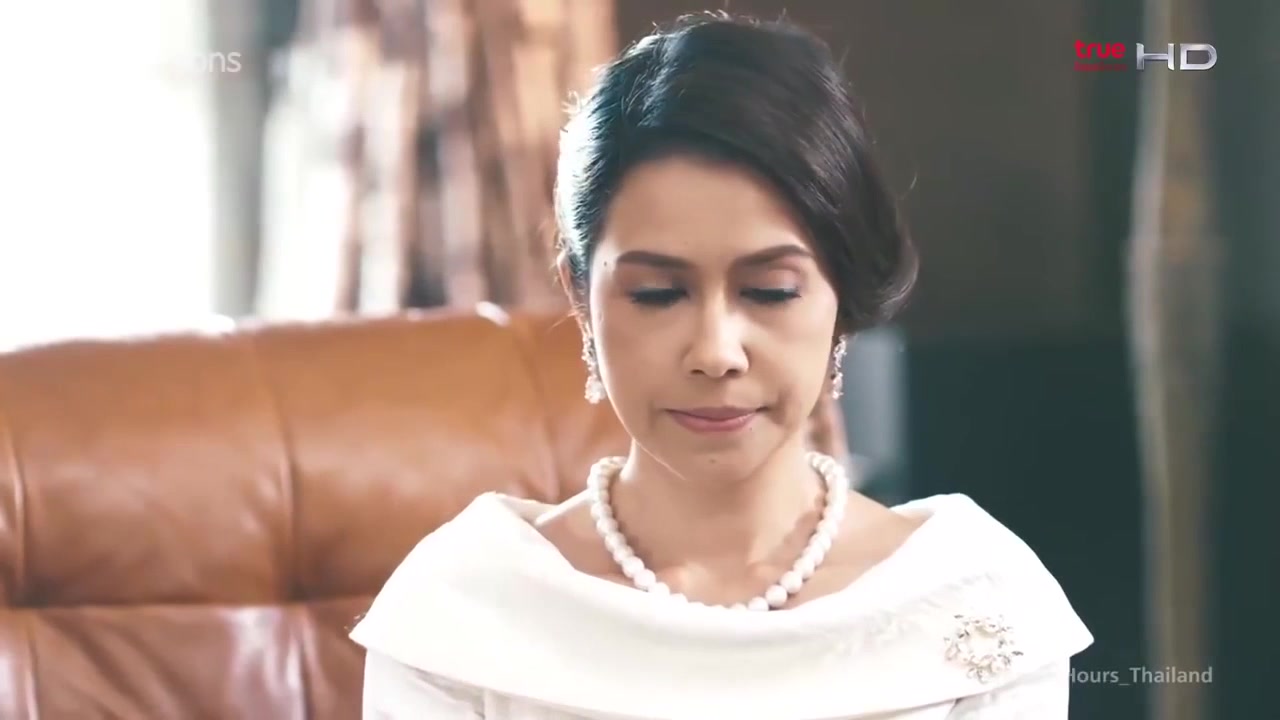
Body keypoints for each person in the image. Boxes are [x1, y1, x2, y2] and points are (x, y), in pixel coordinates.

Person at [350, 11, 1092, 719]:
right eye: (657, 293)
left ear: (840, 300)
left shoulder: (970, 601)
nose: (714, 352)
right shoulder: (465, 609)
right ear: (581, 299)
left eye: (769, 291)